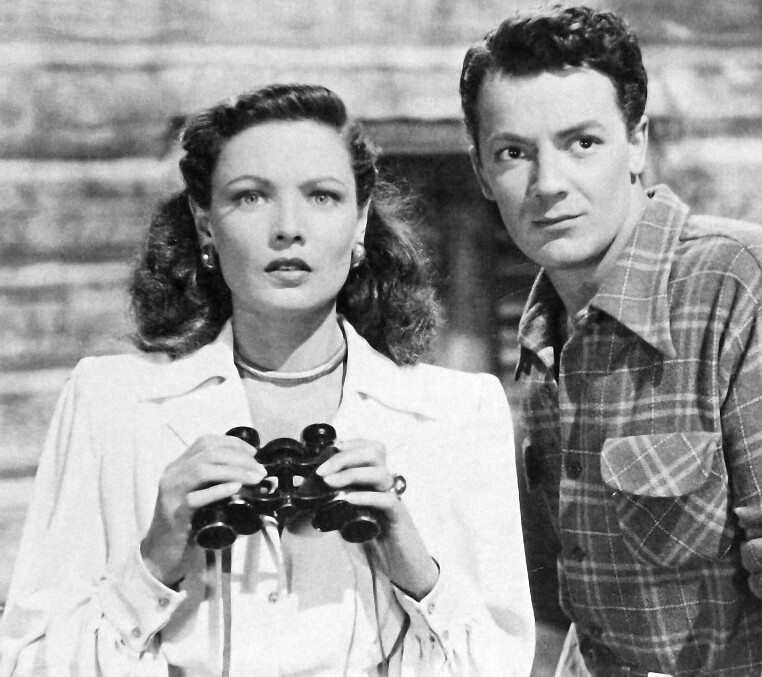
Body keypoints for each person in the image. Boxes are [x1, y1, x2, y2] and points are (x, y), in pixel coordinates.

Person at [0, 83, 534, 676]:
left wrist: (415, 568)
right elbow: (29, 663)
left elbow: (501, 664)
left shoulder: (457, 413)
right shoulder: (112, 404)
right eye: (250, 197)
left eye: (322, 196)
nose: (288, 228)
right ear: (205, 224)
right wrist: (153, 562)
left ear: (359, 222)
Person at [460, 6, 762, 677]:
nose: (549, 184)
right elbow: (577, 615)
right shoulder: (546, 332)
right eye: (514, 152)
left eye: (582, 143)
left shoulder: (757, 287)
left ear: (637, 142)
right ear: (481, 171)